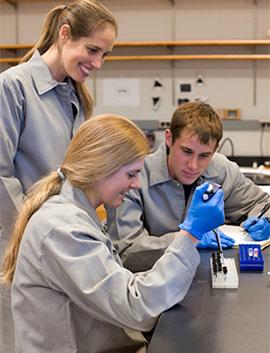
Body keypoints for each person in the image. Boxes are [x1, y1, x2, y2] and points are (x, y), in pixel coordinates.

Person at [1, 114, 224, 353]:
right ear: (100, 167)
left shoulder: (74, 212)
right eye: (131, 174)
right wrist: (190, 234)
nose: (137, 184)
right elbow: (136, 306)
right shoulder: (62, 228)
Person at [0, 1, 117, 352]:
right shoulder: (12, 87)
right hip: (19, 248)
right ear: (65, 35)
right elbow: (2, 177)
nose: (96, 63)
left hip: (60, 246)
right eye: (92, 50)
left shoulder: (76, 98)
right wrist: (28, 238)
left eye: (105, 55)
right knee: (23, 342)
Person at [107, 102, 270, 272]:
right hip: (149, 283)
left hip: (204, 276)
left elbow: (263, 204)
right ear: (169, 138)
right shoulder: (135, 176)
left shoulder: (222, 170)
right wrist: (188, 238)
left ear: (215, 150)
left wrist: (265, 219)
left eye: (204, 155)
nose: (193, 165)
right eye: (186, 151)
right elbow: (125, 253)